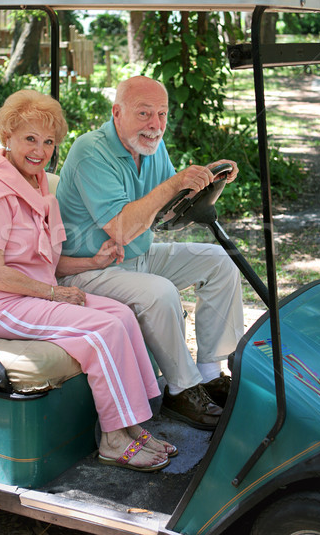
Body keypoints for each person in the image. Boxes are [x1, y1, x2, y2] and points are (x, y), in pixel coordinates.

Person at [0, 89, 177, 472]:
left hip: (28, 295)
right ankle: (113, 438)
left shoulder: (35, 184)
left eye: (49, 141)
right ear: (8, 138)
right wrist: (54, 294)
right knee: (101, 330)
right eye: (30, 139)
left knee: (120, 315)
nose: (40, 150)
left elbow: (44, 263)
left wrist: (92, 261)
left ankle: (132, 423)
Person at [56, 75, 244, 431]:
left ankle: (209, 373)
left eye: (161, 114)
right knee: (160, 292)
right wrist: (175, 183)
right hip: (88, 270)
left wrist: (207, 183)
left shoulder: (152, 146)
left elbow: (168, 214)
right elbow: (123, 228)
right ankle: (181, 390)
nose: (155, 125)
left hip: (137, 256)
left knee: (221, 262)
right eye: (144, 114)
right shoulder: (90, 151)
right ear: (117, 112)